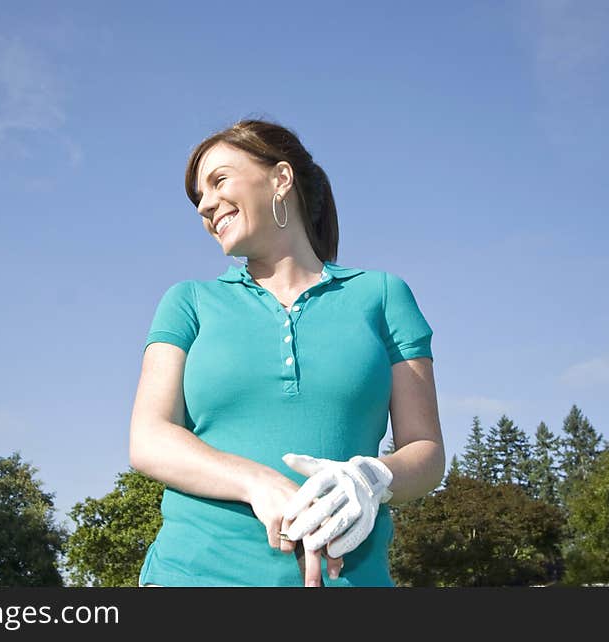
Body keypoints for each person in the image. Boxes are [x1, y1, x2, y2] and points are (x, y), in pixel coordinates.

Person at [129, 118, 444, 587]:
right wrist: (258, 483)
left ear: (281, 179)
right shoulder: (188, 301)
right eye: (198, 198)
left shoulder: (382, 295)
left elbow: (427, 452)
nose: (205, 206)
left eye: (219, 181)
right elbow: (149, 438)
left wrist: (372, 477)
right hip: (193, 574)